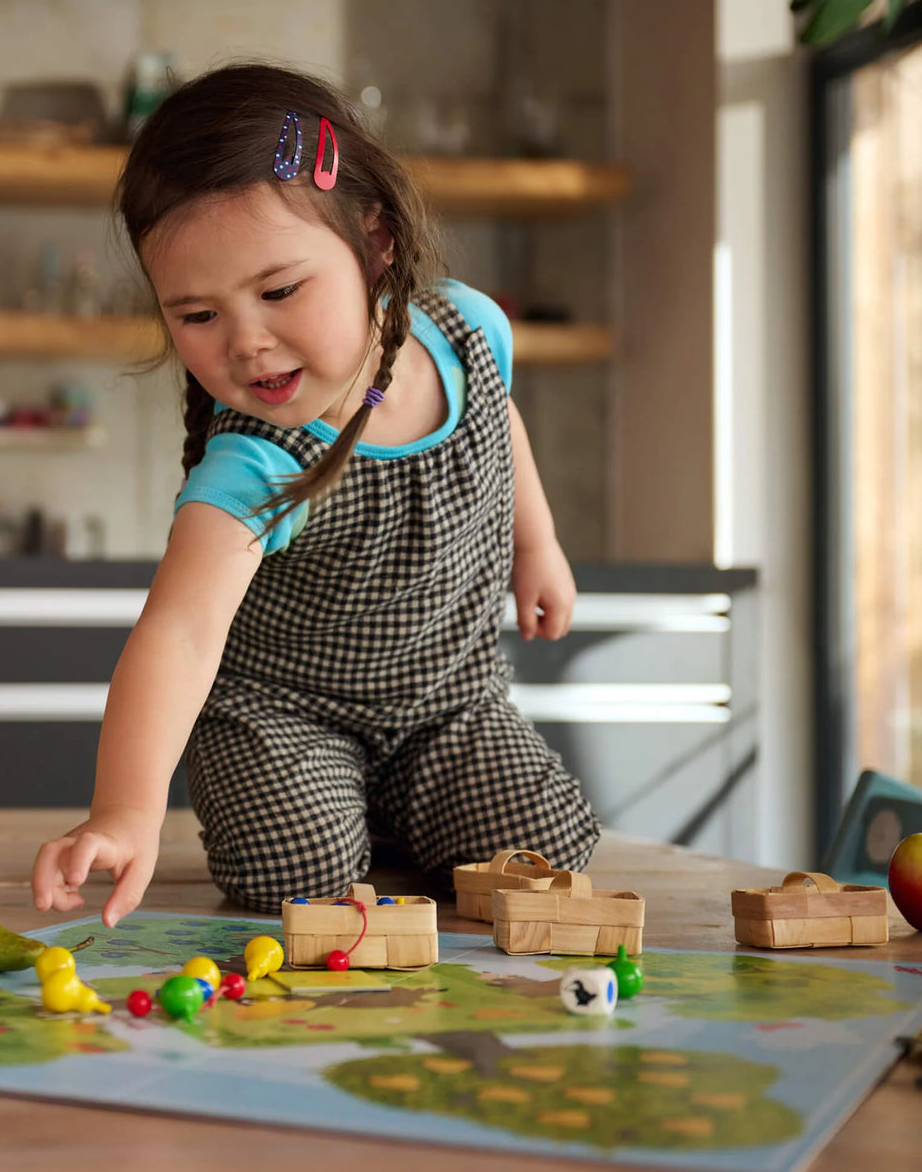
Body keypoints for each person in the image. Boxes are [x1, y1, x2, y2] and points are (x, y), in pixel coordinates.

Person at [32, 63, 600, 928]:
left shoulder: (470, 330)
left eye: (279, 291)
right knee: (290, 875)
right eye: (197, 315)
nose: (248, 342)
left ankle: (395, 806)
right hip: (282, 715)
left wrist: (537, 544)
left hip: (449, 701)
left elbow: (500, 425)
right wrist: (125, 810)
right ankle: (341, 809)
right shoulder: (253, 460)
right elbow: (179, 635)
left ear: (376, 244)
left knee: (545, 849)